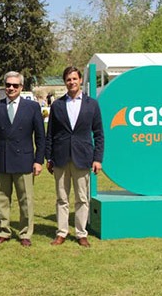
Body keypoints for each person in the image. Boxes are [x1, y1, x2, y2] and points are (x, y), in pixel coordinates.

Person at [0, 71, 45, 247]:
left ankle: (25, 233)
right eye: (8, 85)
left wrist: (39, 161)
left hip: (24, 160)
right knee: (3, 199)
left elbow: (40, 137)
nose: (11, 88)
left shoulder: (32, 107)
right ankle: (3, 231)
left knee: (26, 200)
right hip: (1, 159)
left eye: (15, 85)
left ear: (21, 87)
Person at [45, 66, 104, 248]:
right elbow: (50, 134)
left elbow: (99, 133)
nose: (71, 82)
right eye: (68, 79)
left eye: (74, 79)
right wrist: (49, 157)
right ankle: (62, 232)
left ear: (80, 81)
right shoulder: (57, 105)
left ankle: (81, 233)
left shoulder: (92, 104)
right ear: (65, 82)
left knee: (82, 198)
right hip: (61, 158)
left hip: (83, 157)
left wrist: (97, 159)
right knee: (62, 199)